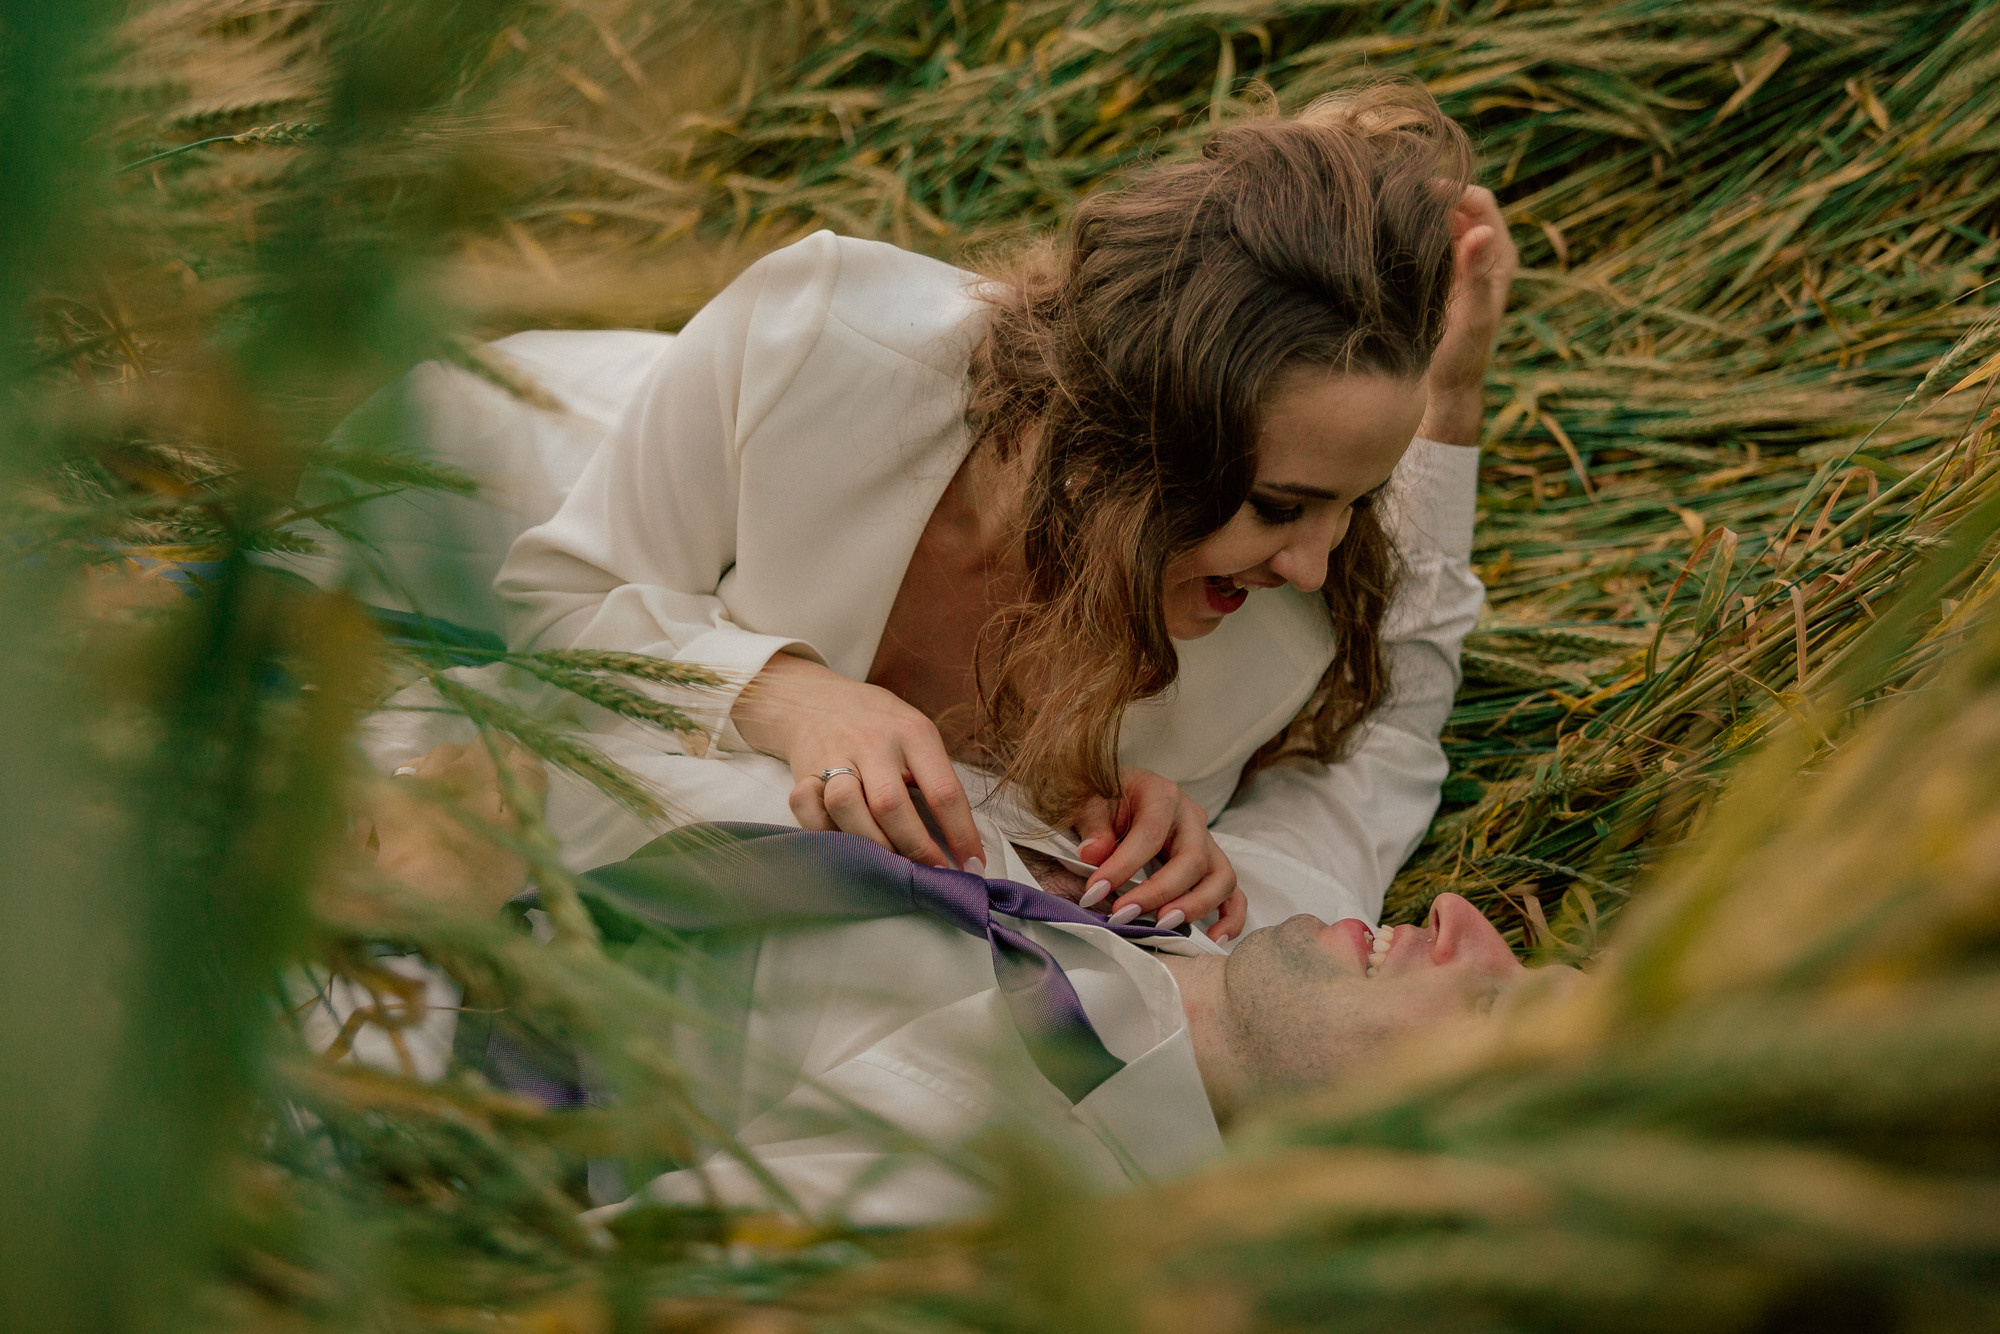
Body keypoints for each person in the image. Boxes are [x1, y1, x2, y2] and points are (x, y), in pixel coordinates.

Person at [299, 80, 1515, 947]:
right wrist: (788, 693)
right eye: (1280, 505)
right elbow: (554, 598)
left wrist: (1211, 847)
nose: (1315, 563)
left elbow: (1391, 727)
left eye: (1357, 504)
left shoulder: (1269, 620)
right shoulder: (818, 339)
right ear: (1128, 445)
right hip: (500, 480)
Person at [348, 741, 1577, 1229]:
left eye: (1488, 1002)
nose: (1465, 918)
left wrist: (449, 926)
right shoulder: (1239, 917)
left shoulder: (959, 1206)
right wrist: (1451, 395)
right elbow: (1378, 755)